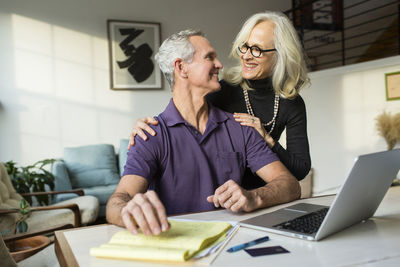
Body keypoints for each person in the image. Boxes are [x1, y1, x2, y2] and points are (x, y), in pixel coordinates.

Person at [106, 30, 300, 236]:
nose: (220, 64)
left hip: (232, 242)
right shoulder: (150, 135)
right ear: (181, 68)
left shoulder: (240, 128)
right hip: (177, 245)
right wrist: (129, 210)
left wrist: (254, 197)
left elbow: (290, 185)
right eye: (209, 57)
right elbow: (118, 199)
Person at [128, 11, 311, 190]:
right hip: (224, 194)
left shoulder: (290, 103)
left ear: (280, 55)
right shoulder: (220, 90)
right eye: (245, 46)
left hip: (266, 192)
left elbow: (300, 170)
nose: (246, 56)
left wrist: (267, 138)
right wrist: (148, 127)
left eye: (257, 50)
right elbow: (181, 112)